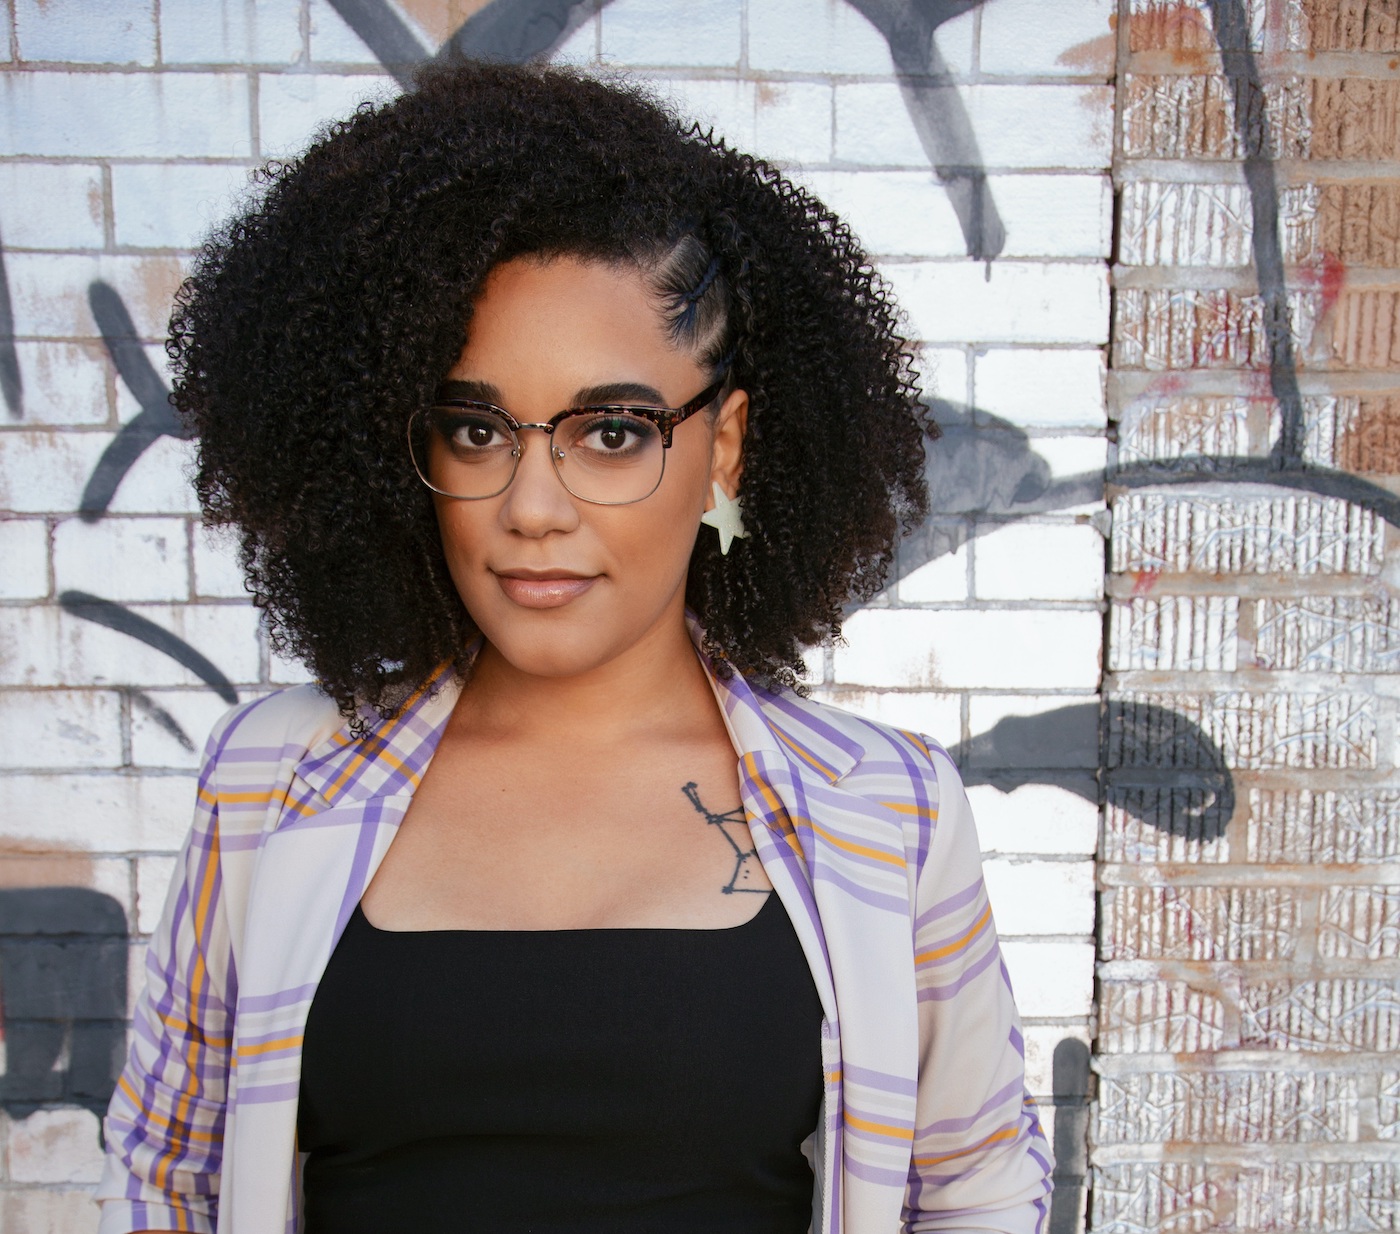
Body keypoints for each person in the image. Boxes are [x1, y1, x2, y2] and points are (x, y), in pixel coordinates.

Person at [97, 59, 1054, 1234]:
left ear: (724, 446)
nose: (532, 506)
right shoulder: (269, 779)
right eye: (475, 428)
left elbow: (974, 1190)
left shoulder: (882, 807)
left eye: (610, 432)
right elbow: (171, 1177)